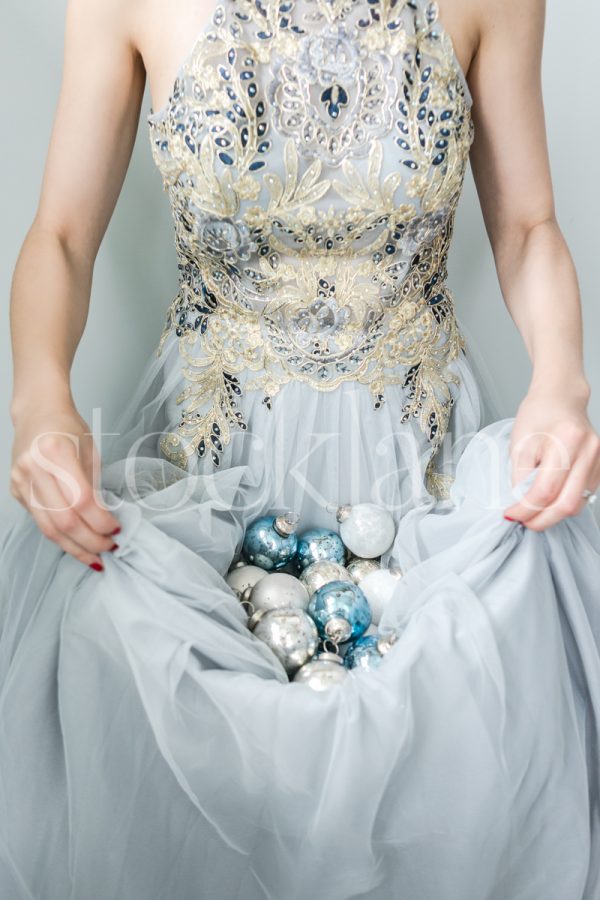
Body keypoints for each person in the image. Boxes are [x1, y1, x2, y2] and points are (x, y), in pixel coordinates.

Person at [2, 0, 600, 896]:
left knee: (489, 680)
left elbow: (526, 228)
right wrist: (41, 396)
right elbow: (60, 238)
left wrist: (562, 379)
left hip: (420, 470)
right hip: (212, 468)